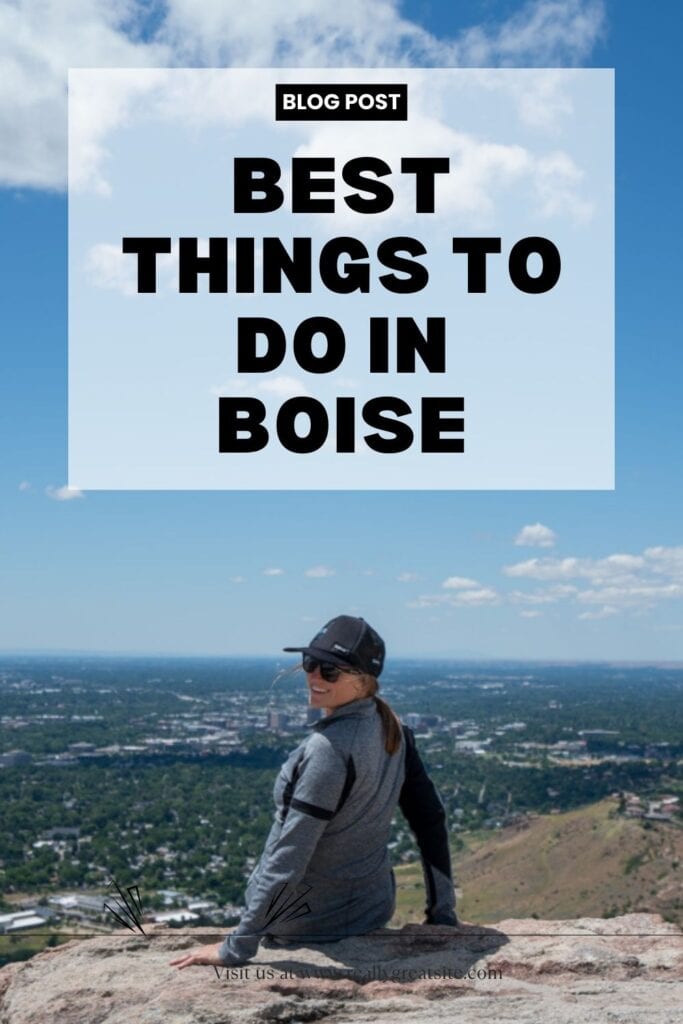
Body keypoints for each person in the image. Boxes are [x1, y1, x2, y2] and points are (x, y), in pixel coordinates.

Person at [170, 615, 457, 971]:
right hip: (372, 911)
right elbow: (431, 819)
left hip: (306, 923)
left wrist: (235, 947)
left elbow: (290, 854)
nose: (314, 676)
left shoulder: (328, 750)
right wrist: (443, 913)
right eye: (310, 663)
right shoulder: (392, 728)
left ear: (363, 680)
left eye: (330, 671)